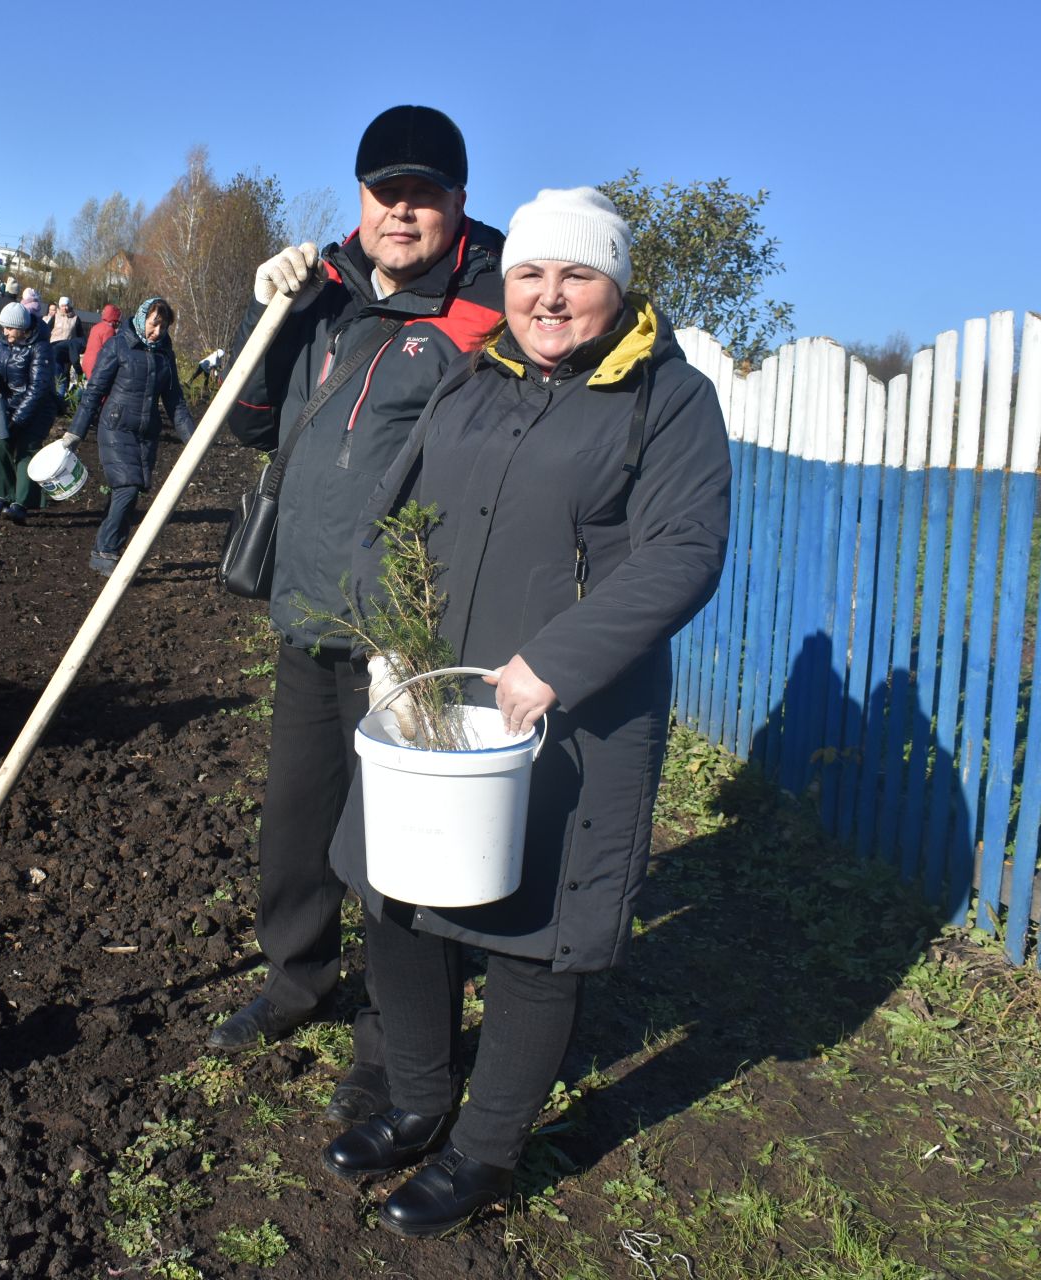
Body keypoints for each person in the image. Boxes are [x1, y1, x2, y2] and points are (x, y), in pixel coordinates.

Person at [318, 188, 730, 1236]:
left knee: (537, 936)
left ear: (617, 286)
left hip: (573, 717)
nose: (550, 295)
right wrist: (385, 629)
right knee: (398, 893)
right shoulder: (475, 374)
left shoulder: (664, 399)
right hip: (437, 697)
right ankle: (416, 1097)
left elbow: (686, 551)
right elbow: (389, 509)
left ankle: (484, 1150)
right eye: (533, 273)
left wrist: (554, 660)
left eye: (577, 274)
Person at [213, 105, 505, 1128]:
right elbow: (252, 425)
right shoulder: (326, 290)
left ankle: (395, 1041)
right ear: (361, 196)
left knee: (398, 850)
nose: (401, 210)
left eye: (424, 193)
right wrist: (275, 320)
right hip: (308, 609)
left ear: (460, 202)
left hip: (408, 634)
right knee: (294, 826)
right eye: (385, 191)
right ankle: (298, 982)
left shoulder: (491, 307)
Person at [61, 297, 196, 577]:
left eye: (164, 327)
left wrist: (194, 439)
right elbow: (95, 391)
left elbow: (176, 403)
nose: (157, 332)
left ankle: (102, 549)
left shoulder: (165, 355)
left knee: (129, 494)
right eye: (154, 324)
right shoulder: (119, 345)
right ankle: (108, 550)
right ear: (143, 318)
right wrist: (75, 432)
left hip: (146, 434)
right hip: (115, 427)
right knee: (127, 488)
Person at [0, 301, 55, 522]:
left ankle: (22, 502)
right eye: (4, 328)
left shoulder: (40, 348)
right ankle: (2, 494)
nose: (5, 332)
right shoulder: (3, 343)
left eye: (10, 328)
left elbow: (38, 389)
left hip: (37, 409)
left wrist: (18, 419)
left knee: (25, 451)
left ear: (22, 328)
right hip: (8, 405)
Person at [48, 295, 82, 395]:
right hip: (54, 349)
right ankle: (54, 394)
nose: (65, 308)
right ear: (59, 306)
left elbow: (80, 336)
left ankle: (63, 396)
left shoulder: (75, 319)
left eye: (66, 305)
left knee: (65, 374)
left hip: (68, 351)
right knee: (55, 374)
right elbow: (47, 330)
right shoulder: (55, 317)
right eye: (62, 306)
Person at [81, 303, 122, 380]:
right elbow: (109, 352)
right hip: (96, 365)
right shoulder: (109, 330)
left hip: (86, 362)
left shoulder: (96, 327)